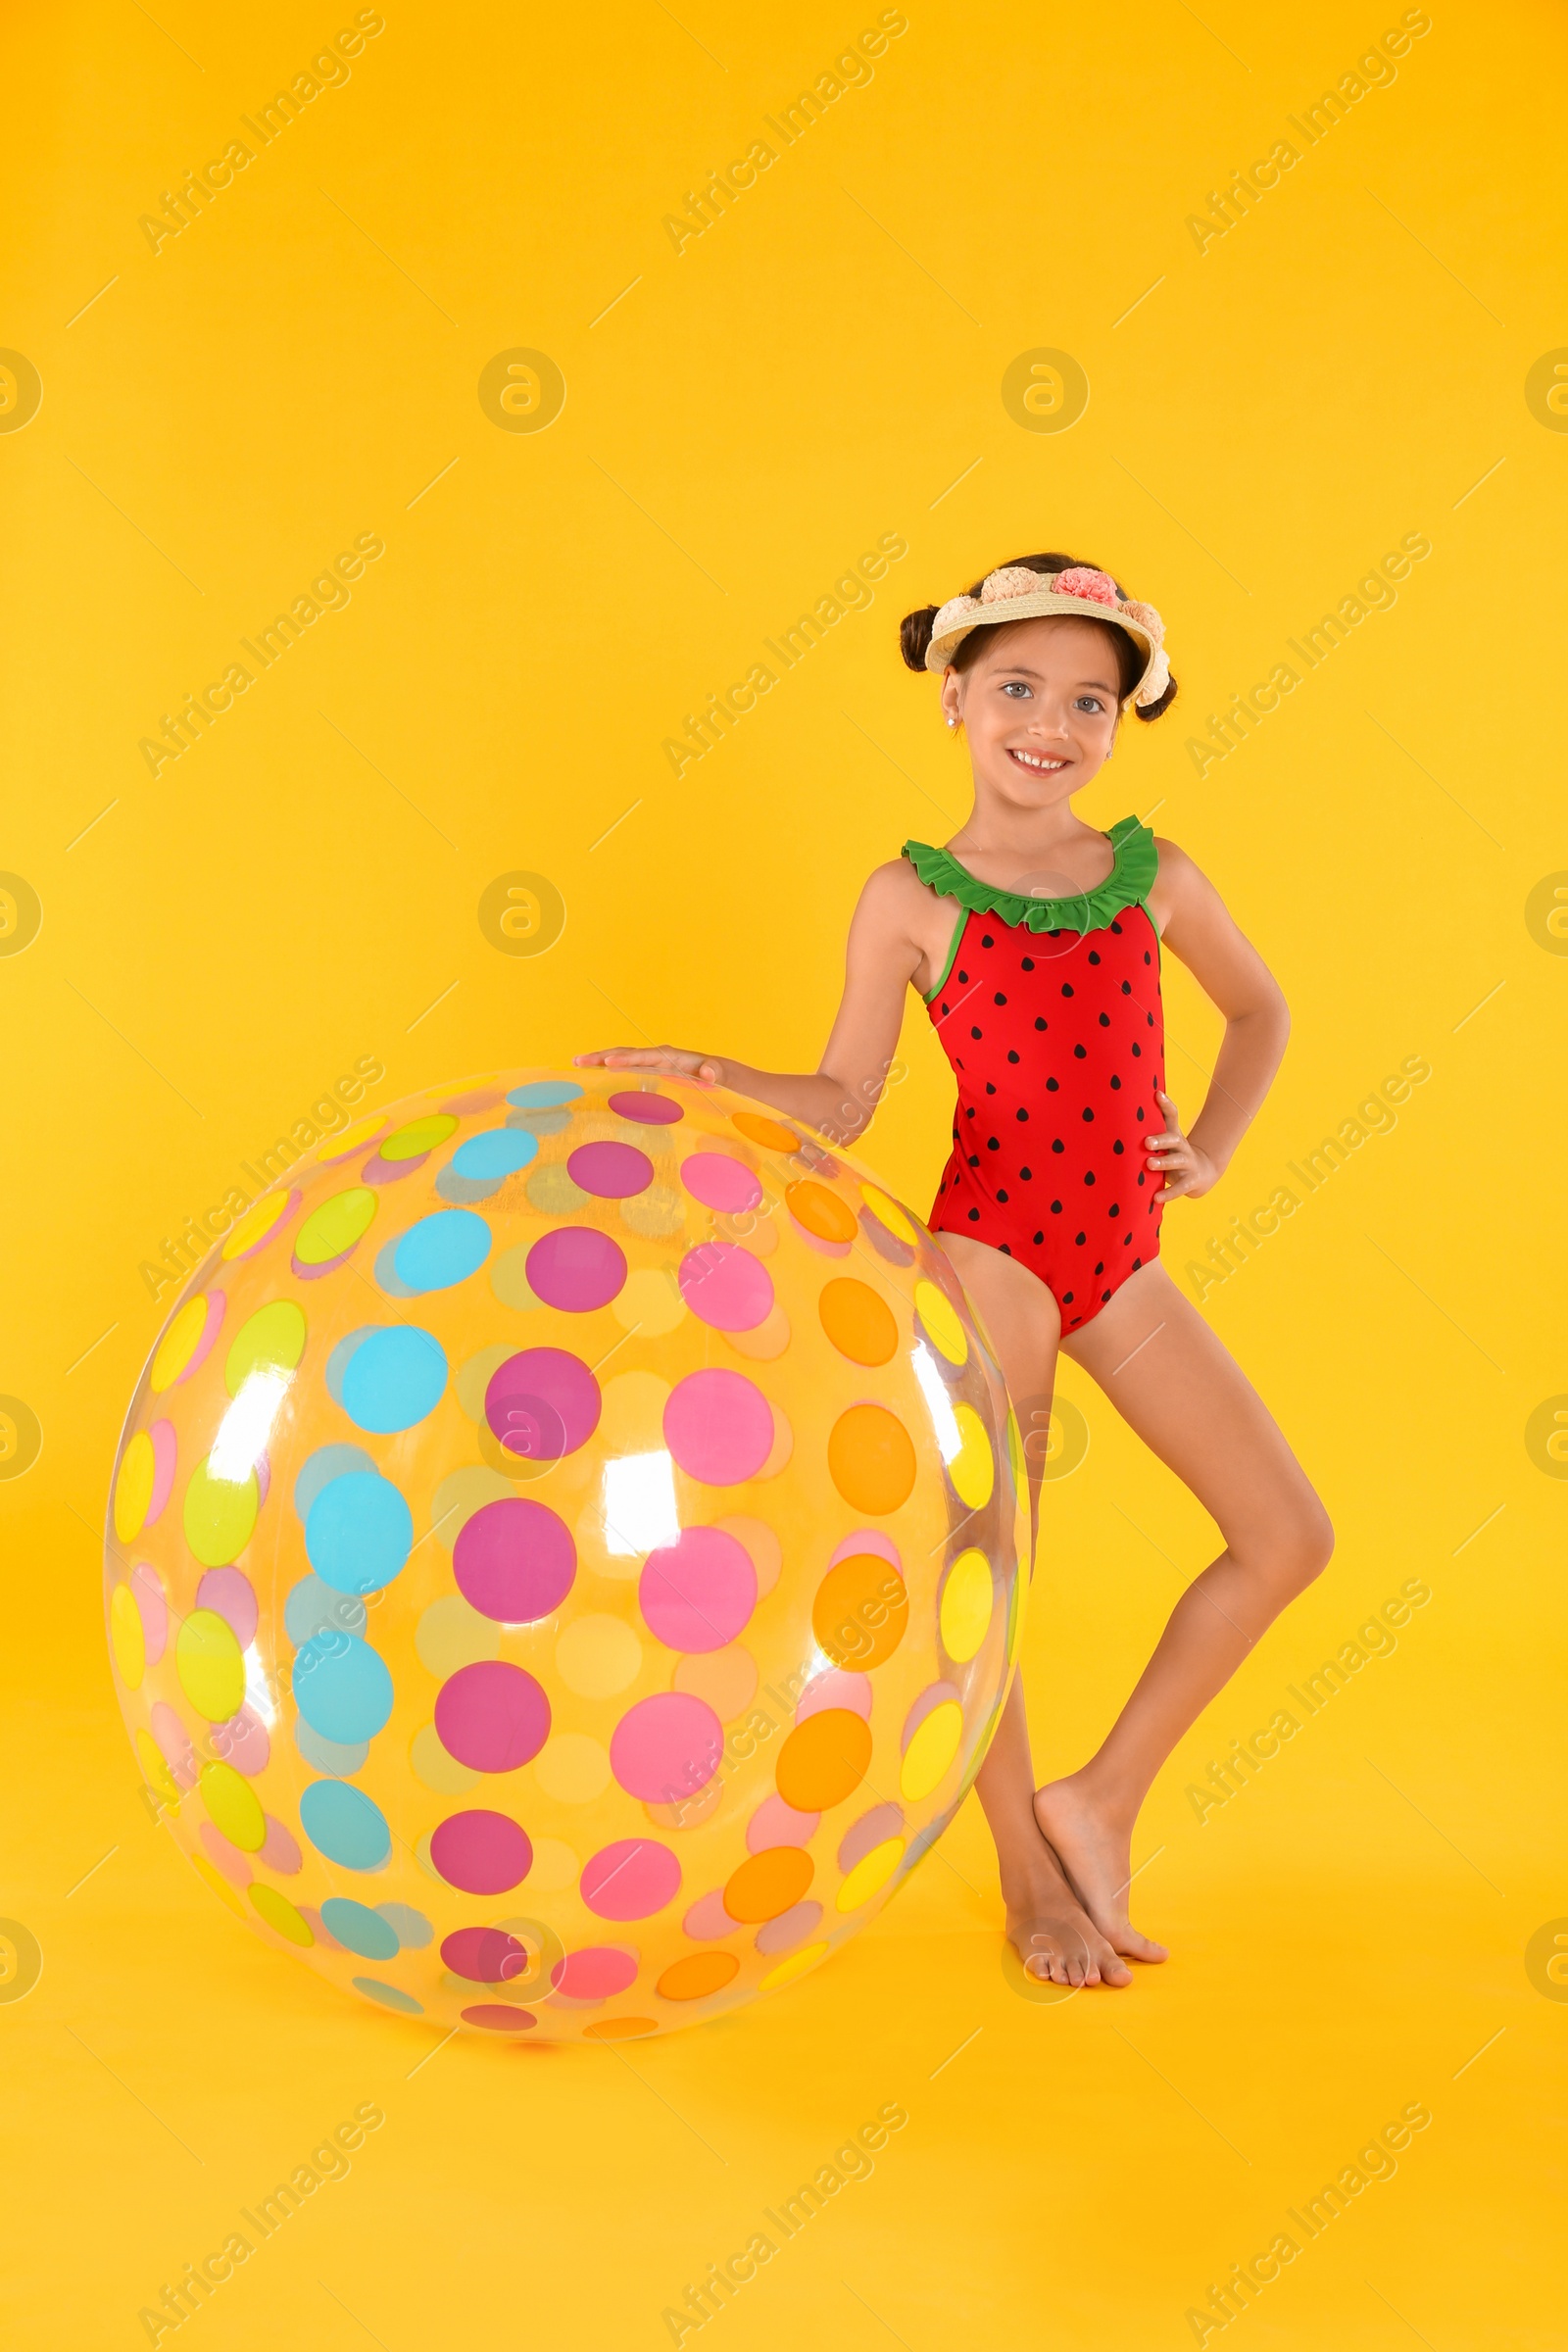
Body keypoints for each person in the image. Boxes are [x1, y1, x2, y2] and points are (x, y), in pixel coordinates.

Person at [578, 552, 1332, 1988]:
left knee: (1288, 1535)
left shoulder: (1154, 877)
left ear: (1123, 720)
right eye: (1019, 689)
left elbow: (1262, 1009)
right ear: (957, 698)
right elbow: (844, 1098)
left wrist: (1216, 1149)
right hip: (994, 1256)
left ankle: (1097, 1801)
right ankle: (1025, 1878)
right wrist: (715, 1076)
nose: (1052, 723)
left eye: (1089, 701)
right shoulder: (908, 900)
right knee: (992, 1577)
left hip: (1124, 1255)